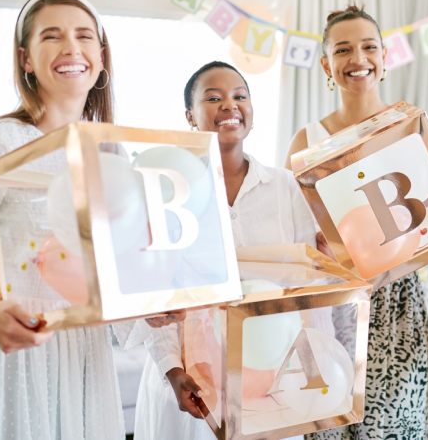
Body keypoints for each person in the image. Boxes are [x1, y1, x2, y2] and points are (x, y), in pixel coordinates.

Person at [134, 61, 317, 440]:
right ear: (190, 116)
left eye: (240, 96)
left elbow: (306, 288)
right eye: (213, 98)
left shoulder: (285, 187)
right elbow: (150, 290)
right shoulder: (166, 192)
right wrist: (172, 369)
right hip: (193, 383)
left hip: (272, 379)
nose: (229, 105)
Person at [285, 4, 428, 440]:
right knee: (328, 423)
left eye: (369, 47)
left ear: (386, 57)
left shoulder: (409, 124)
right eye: (344, 49)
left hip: (397, 301)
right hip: (330, 305)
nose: (358, 59)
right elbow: (294, 234)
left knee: (396, 425)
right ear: (326, 64)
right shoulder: (307, 141)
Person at [0, 0, 126, 439]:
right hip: (18, 347)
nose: (71, 47)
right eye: (53, 35)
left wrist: (155, 306)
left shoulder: (112, 152)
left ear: (101, 59)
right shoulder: (2, 141)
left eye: (85, 36)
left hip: (86, 347)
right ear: (25, 59)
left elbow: (118, 260)